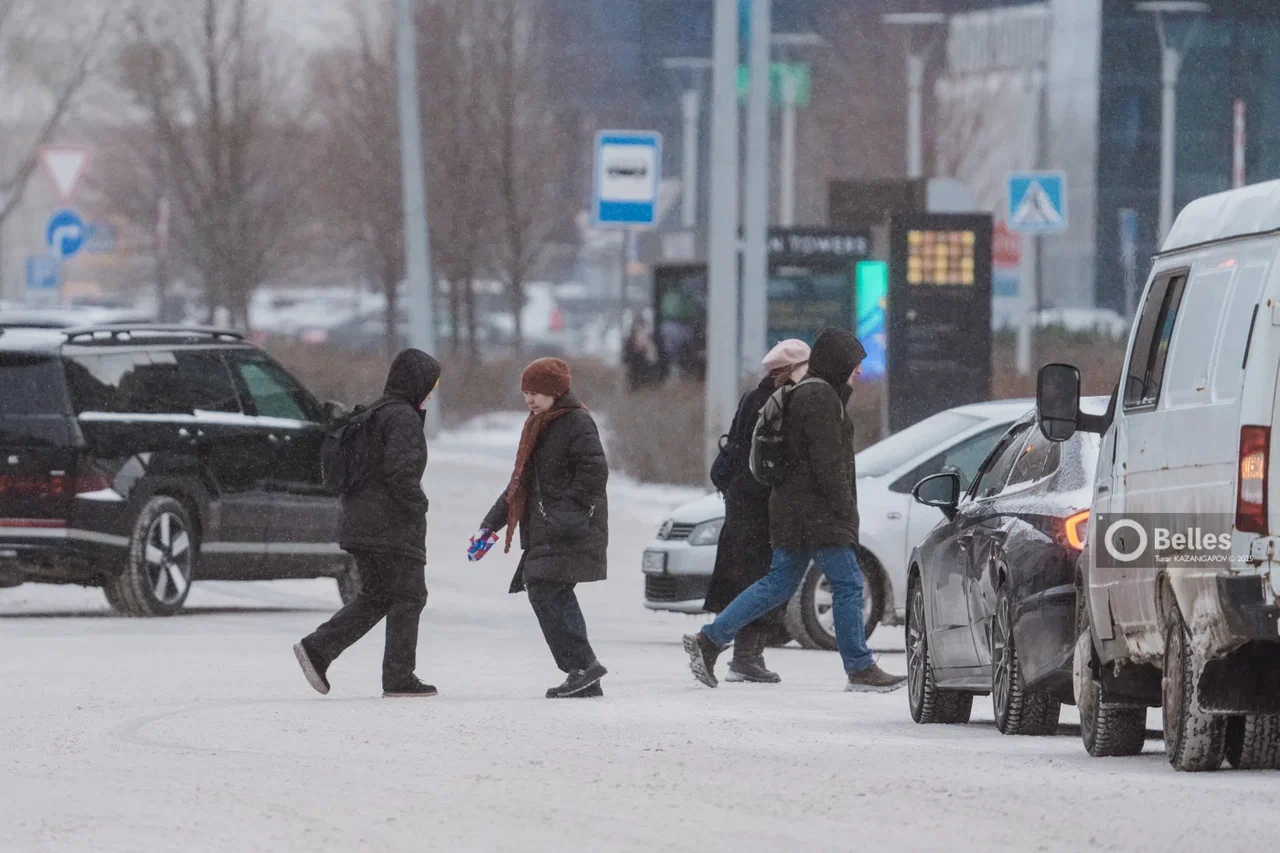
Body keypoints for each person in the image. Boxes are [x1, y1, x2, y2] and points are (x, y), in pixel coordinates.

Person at [683, 328, 907, 693]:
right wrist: (845, 511)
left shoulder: (811, 393)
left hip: (793, 511)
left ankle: (709, 640)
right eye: (855, 365)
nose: (858, 373)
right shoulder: (819, 397)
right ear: (838, 362)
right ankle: (860, 668)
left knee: (778, 584)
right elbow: (827, 464)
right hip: (816, 514)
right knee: (848, 583)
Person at [293, 348, 441, 698]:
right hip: (388, 526)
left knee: (377, 596)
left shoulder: (375, 412)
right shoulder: (402, 417)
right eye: (430, 385)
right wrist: (418, 505)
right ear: (415, 383)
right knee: (409, 595)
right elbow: (400, 472)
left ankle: (318, 649)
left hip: (360, 523)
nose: (431, 393)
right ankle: (399, 677)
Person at [468, 358, 610, 698]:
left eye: (537, 393)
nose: (530, 399)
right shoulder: (540, 424)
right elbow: (520, 485)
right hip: (550, 526)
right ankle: (582, 670)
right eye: (526, 393)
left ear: (556, 391)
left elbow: (595, 469)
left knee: (548, 589)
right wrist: (490, 527)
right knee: (545, 589)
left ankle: (584, 667)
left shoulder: (576, 421)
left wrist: (567, 506)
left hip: (570, 526)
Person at [705, 339, 810, 684]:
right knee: (764, 578)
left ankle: (745, 655)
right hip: (761, 502)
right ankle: (746, 656)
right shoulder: (781, 401)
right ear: (790, 371)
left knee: (748, 578)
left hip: (742, 500)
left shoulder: (754, 397)